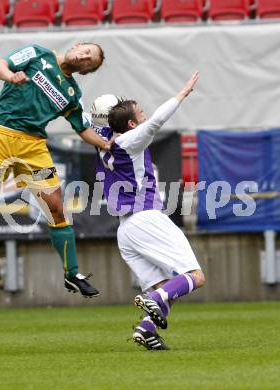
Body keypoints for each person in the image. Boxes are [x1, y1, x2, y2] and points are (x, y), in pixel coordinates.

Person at [0, 42, 111, 309]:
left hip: (32, 147)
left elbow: (82, 128)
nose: (84, 57)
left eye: (90, 61)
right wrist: (11, 76)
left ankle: (71, 273)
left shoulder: (71, 94)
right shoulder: (37, 53)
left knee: (57, 208)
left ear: (86, 70)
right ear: (77, 45)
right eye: (86, 51)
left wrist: (107, 145)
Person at [92, 72, 205, 350]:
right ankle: (153, 303)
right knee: (194, 276)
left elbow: (84, 119)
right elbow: (156, 121)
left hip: (126, 230)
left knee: (166, 286)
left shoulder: (101, 137)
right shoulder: (131, 140)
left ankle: (146, 329)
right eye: (138, 112)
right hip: (146, 218)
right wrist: (182, 93)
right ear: (129, 123)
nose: (143, 113)